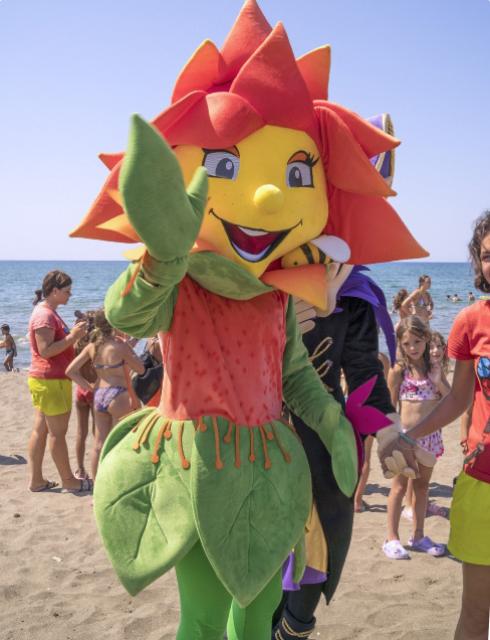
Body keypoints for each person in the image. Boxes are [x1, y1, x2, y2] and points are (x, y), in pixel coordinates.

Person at [70, 3, 428, 638]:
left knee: (264, 614)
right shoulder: (180, 276)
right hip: (197, 463)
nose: (265, 198)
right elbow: (128, 312)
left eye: (296, 174)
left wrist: (345, 424)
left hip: (272, 466)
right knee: (204, 618)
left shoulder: (295, 295)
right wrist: (163, 254)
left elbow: (310, 375)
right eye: (226, 167)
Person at [381, 211, 490, 638]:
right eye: (486, 256)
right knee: (475, 610)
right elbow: (459, 397)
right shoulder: (469, 322)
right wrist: (406, 435)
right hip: (483, 483)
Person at [382, 316, 449, 559]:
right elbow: (389, 407)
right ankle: (391, 538)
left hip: (431, 439)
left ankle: (418, 535)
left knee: (421, 488)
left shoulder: (433, 369)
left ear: (426, 340)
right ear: (400, 343)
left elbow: (450, 398)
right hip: (405, 439)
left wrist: (436, 381)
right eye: (408, 343)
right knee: (399, 487)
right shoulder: (399, 370)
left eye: (418, 341)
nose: (413, 348)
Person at [27, 270, 91, 493]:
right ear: (54, 291)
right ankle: (69, 481)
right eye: (66, 291)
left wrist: (72, 335)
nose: (70, 295)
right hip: (51, 380)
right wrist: (73, 337)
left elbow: (55, 344)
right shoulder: (44, 315)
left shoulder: (48, 312)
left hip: (45, 380)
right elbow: (46, 351)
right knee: (57, 434)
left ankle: (36, 480)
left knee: (42, 431)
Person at [66, 309, 144, 479]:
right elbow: (141, 368)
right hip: (119, 394)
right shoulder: (119, 345)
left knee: (98, 445)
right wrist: (128, 348)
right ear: (114, 324)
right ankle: (118, 482)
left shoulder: (92, 346)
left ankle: (97, 490)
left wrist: (89, 387)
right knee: (121, 442)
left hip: (100, 395)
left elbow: (70, 371)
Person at [402, 330, 451, 521]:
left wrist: (438, 381)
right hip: (414, 431)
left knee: (422, 476)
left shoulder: (439, 370)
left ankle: (420, 503)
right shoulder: (417, 369)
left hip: (432, 431)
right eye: (432, 347)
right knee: (412, 473)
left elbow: (450, 397)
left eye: (439, 347)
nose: (436, 350)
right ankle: (408, 505)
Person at [72, 311, 97, 481]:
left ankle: (80, 469)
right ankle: (99, 469)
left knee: (81, 432)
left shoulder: (77, 344)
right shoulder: (96, 346)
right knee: (98, 433)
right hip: (95, 391)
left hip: (81, 390)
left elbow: (73, 369)